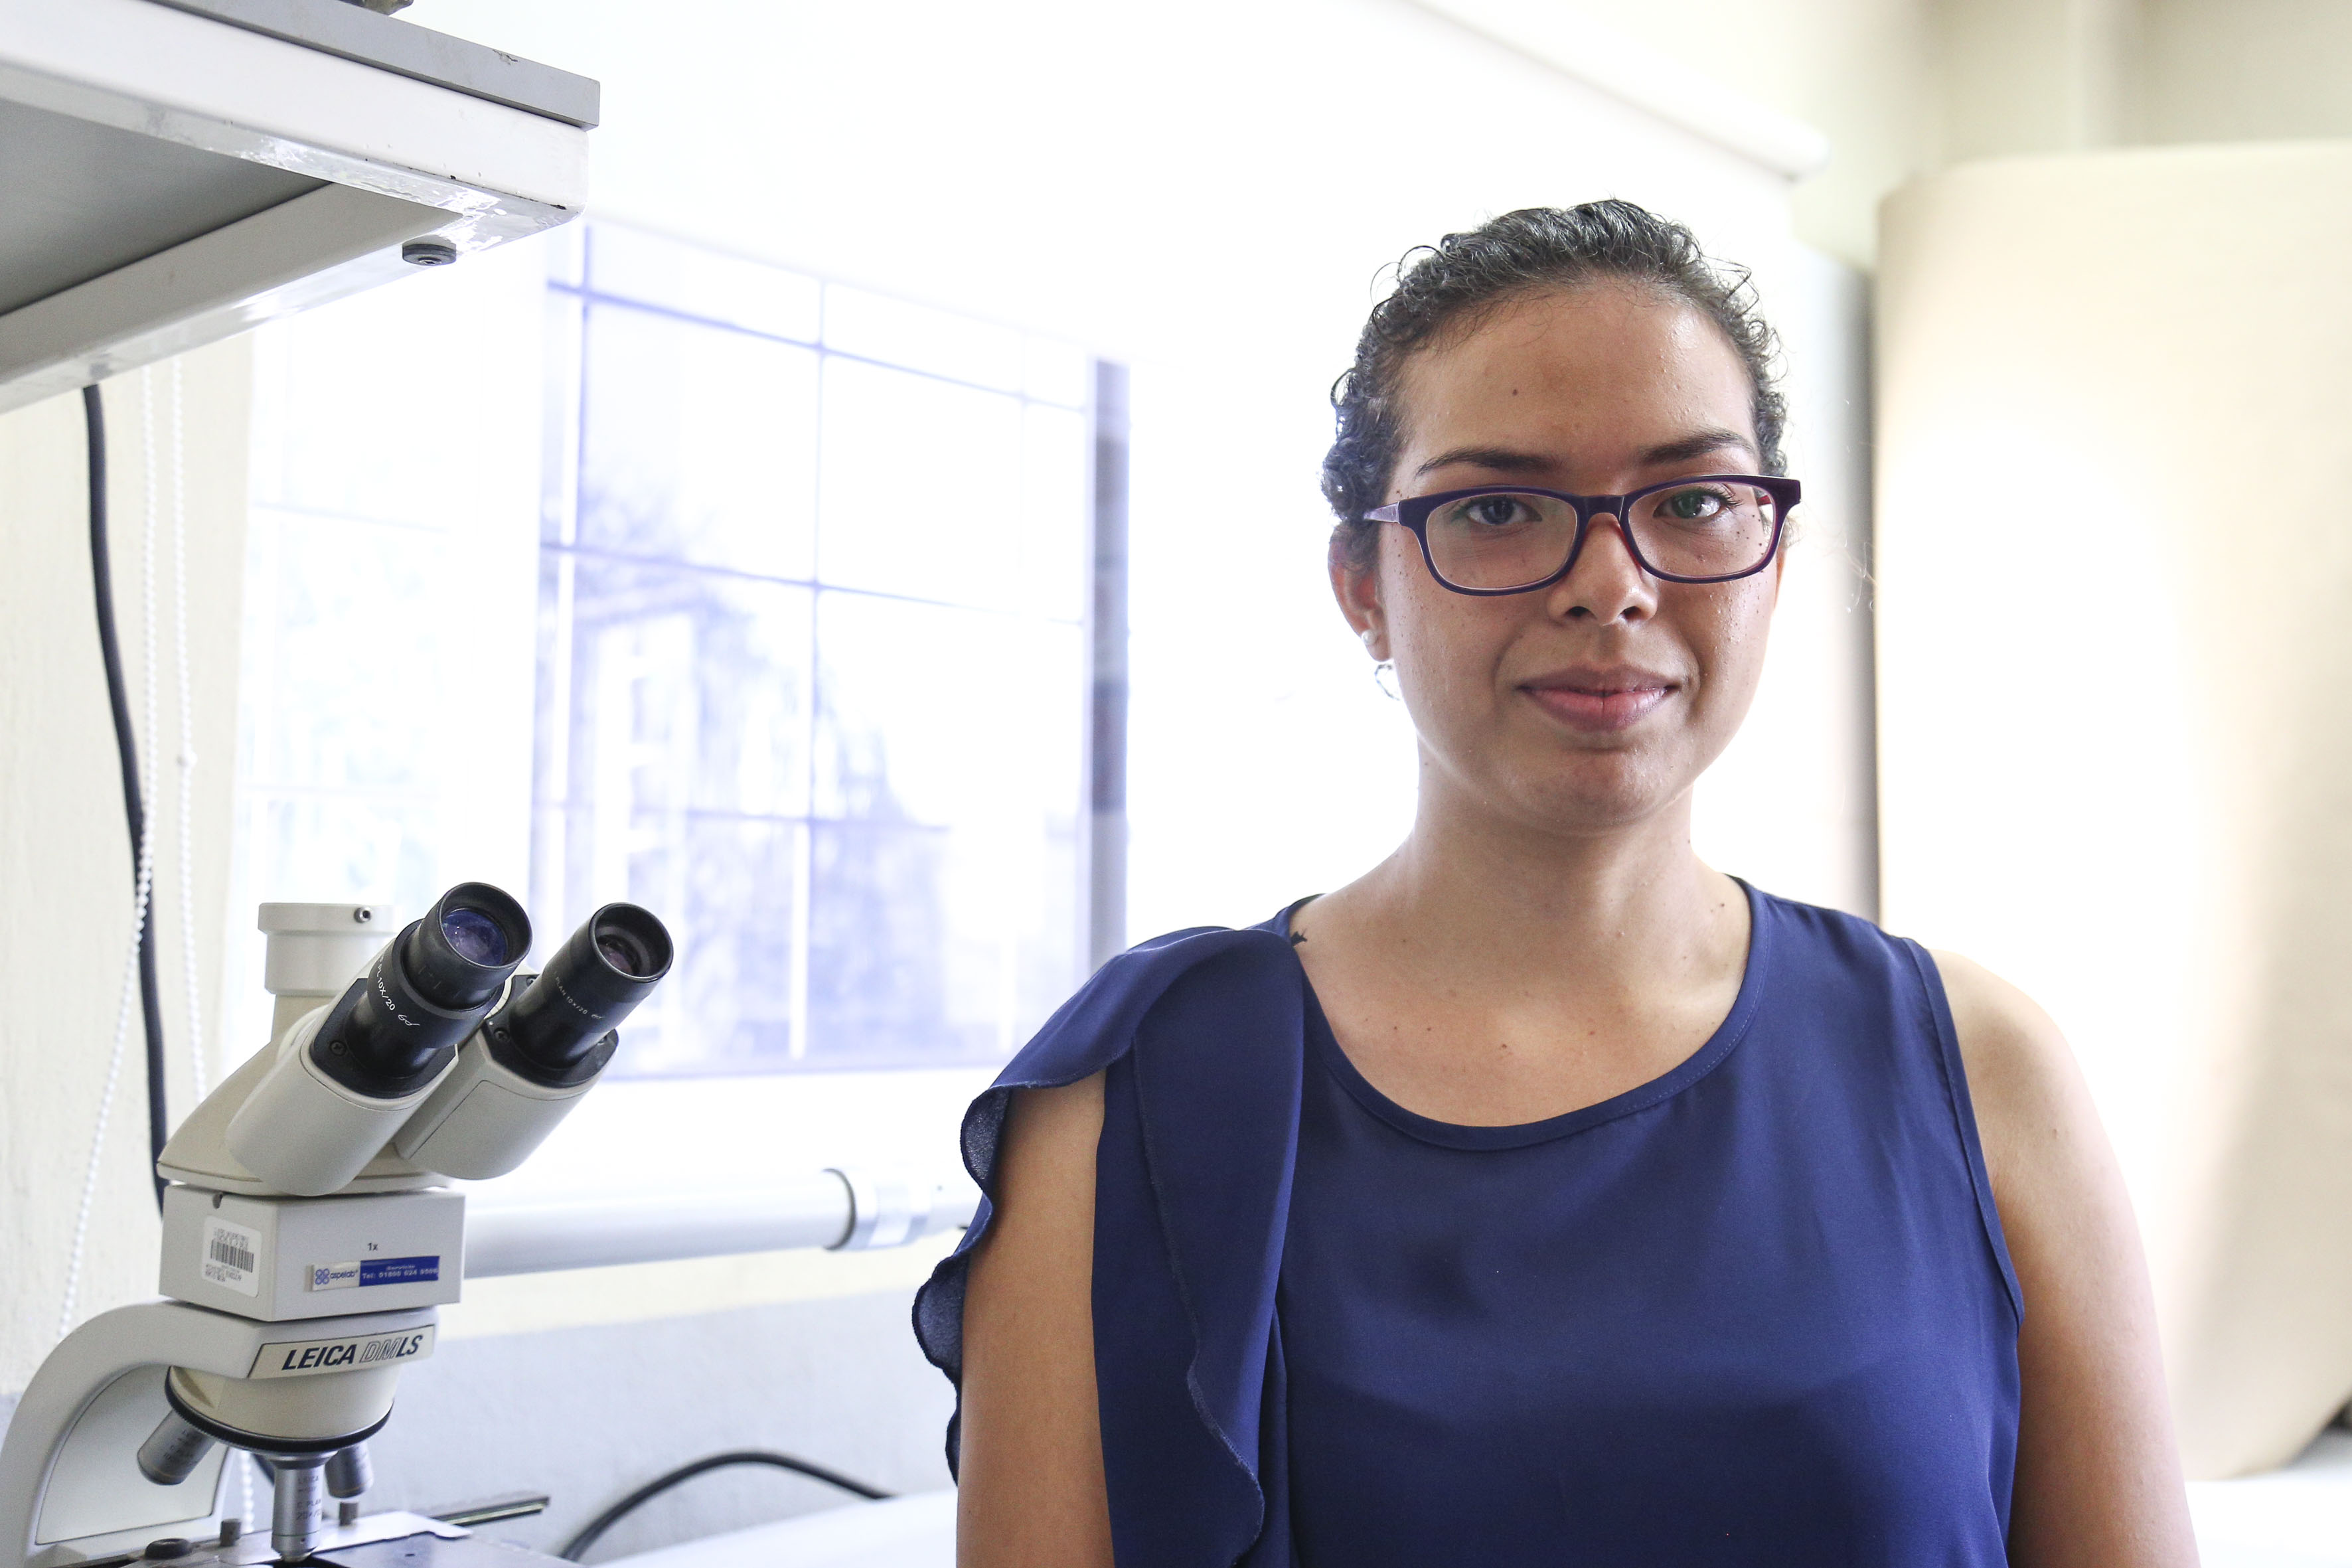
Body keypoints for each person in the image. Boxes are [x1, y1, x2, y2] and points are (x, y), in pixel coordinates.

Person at [916, 201, 2198, 1567]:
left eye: (1693, 501)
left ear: (1770, 554)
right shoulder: (1134, 1100)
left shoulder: (1979, 1066)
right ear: (1361, 580)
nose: (1609, 583)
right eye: (1497, 507)